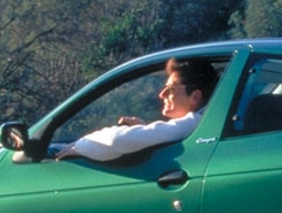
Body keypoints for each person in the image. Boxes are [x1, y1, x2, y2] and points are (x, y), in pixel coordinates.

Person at [55, 58, 218, 161]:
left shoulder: (196, 122)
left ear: (195, 97)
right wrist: (143, 128)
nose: (162, 95)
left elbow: (117, 140)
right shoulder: (204, 123)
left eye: (170, 90)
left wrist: (81, 147)